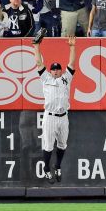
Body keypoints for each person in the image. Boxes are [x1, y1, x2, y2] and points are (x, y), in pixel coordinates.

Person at [33, 35, 76, 184]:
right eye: (54, 69)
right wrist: (36, 46)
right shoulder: (46, 79)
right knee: (48, 145)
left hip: (63, 116)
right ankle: (46, 168)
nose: (56, 71)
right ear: (50, 71)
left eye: (58, 69)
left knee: (63, 144)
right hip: (50, 116)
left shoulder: (66, 79)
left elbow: (72, 63)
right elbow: (39, 62)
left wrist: (72, 47)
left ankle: (57, 166)